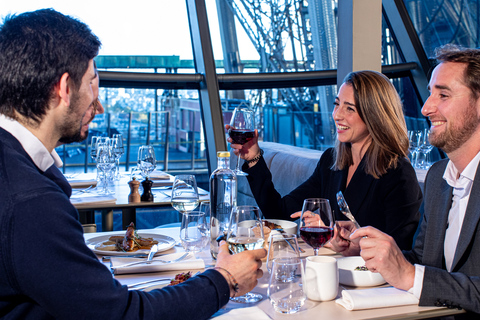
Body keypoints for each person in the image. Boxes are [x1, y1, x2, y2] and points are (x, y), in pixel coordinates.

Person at [0, 9, 265, 320]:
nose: (97, 106)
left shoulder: (16, 169)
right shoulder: (31, 202)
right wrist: (225, 280)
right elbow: (123, 316)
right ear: (64, 88)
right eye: (91, 83)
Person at [348, 44, 480, 316]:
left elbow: (415, 275)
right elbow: (421, 263)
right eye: (430, 93)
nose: (425, 108)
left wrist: (409, 274)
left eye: (443, 94)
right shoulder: (437, 177)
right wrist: (373, 253)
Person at [228, 70, 422, 251]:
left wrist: (339, 238)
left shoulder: (398, 173)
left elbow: (399, 251)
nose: (337, 115)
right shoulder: (331, 161)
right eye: (337, 104)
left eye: (350, 109)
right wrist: (254, 158)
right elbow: (280, 214)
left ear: (375, 116)